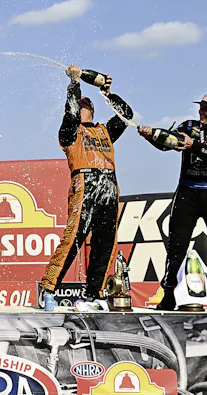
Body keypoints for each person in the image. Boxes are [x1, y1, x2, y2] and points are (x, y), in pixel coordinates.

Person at [137, 92, 207, 311]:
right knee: (176, 247)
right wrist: (151, 136)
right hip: (186, 192)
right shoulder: (188, 126)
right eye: (201, 107)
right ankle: (168, 294)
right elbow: (167, 144)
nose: (201, 112)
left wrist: (193, 147)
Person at [39, 64, 134, 308]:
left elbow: (126, 114)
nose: (81, 107)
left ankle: (95, 293)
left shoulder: (105, 130)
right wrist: (75, 83)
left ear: (92, 110)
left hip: (109, 186)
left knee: (106, 242)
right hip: (85, 184)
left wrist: (107, 93)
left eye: (85, 105)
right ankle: (48, 288)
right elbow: (71, 113)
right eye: (79, 104)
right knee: (73, 238)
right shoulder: (70, 131)